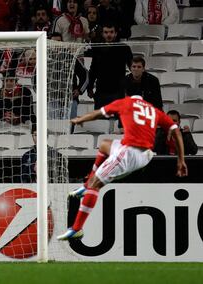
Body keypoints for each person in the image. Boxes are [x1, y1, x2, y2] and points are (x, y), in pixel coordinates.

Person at [57, 95, 188, 241]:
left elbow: (97, 114)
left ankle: (76, 229)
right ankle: (86, 186)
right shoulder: (153, 110)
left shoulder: (125, 103)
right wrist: (181, 160)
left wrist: (80, 119)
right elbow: (176, 131)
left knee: (95, 184)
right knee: (104, 145)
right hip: (146, 154)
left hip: (129, 154)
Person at [87, 22, 132, 110]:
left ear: (115, 33)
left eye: (111, 32)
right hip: (101, 90)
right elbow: (93, 70)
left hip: (118, 91)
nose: (109, 35)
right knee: (100, 121)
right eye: (106, 32)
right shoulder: (98, 48)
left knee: (118, 119)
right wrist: (90, 87)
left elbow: (132, 67)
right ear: (102, 34)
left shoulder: (124, 48)